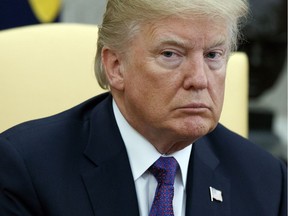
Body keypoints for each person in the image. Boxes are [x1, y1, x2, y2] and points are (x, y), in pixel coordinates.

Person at [0, 0, 286, 215]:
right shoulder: (26, 170)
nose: (199, 79)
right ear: (116, 67)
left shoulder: (267, 181)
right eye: (171, 54)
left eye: (213, 55)